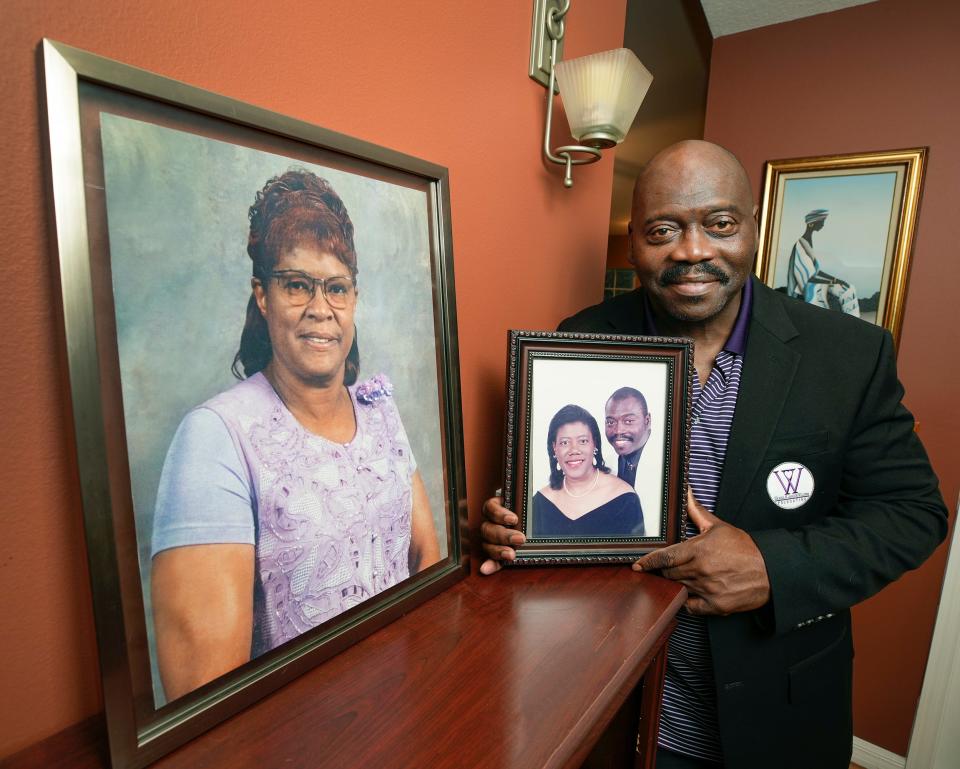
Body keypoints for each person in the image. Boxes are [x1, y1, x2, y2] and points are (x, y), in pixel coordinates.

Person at [481, 141, 947, 768]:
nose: (692, 250)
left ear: (753, 229)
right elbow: (561, 492)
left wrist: (772, 565)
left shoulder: (847, 355)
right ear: (631, 245)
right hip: (615, 702)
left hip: (772, 715)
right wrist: (513, 525)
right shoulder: (581, 338)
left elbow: (913, 512)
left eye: (719, 224)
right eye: (663, 229)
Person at [150, 169, 440, 701]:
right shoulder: (215, 440)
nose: (320, 309)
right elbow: (207, 705)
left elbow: (424, 556)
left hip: (405, 705)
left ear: (354, 298)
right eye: (296, 285)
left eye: (336, 288)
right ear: (262, 295)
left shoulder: (379, 409)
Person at [532, 404, 643, 538]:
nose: (574, 450)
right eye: (564, 443)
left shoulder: (625, 499)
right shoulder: (539, 503)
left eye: (583, 441)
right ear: (554, 448)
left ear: (594, 444)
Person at [604, 386, 660, 537]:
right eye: (610, 422)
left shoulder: (668, 463)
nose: (618, 431)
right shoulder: (605, 465)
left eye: (628, 421)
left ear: (647, 421)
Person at [785, 208, 860, 316]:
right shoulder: (800, 246)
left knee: (848, 288)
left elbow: (817, 272)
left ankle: (854, 321)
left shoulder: (807, 243)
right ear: (811, 224)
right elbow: (808, 278)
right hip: (806, 288)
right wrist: (832, 282)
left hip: (814, 282)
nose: (823, 225)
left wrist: (837, 280)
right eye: (821, 222)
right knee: (832, 290)